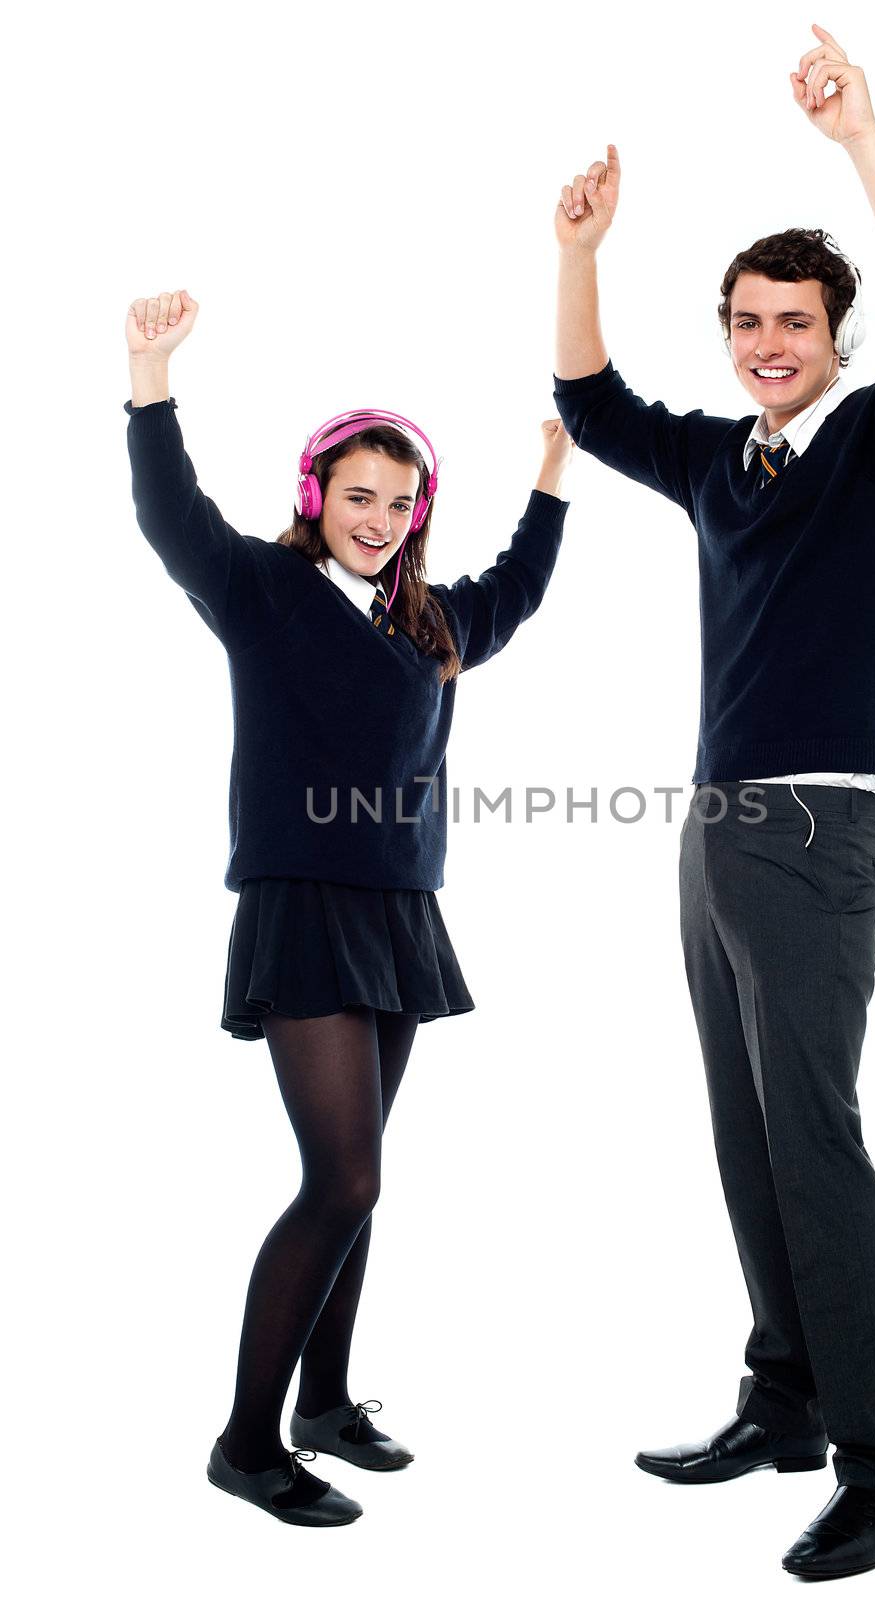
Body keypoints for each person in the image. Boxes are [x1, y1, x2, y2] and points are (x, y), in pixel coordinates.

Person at [550, 24, 875, 1582]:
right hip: (712, 829)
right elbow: (594, 411)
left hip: (815, 832)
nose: (763, 343)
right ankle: (787, 1399)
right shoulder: (724, 464)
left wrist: (861, 141)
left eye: (791, 323)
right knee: (744, 1136)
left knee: (813, 1137)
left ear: (834, 332)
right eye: (744, 322)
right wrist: (579, 251)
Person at [124, 288, 573, 1527]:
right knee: (344, 1180)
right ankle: (246, 1442)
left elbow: (521, 586)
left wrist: (552, 474)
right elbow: (172, 518)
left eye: (399, 501)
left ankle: (326, 1402)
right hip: (303, 903)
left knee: (361, 1174)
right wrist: (150, 381)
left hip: (398, 914)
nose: (378, 519)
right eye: (357, 495)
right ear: (319, 493)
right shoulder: (264, 590)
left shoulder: (430, 622)